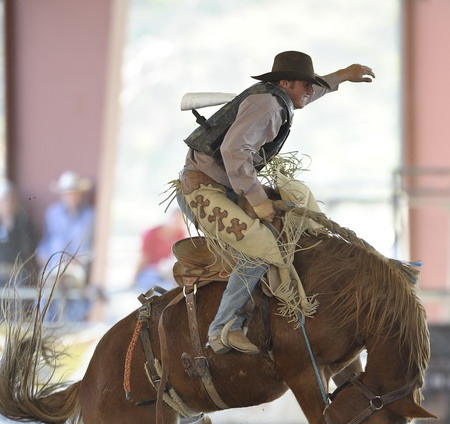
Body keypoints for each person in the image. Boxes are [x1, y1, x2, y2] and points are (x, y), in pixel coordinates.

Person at [177, 51, 375, 354]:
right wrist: (258, 200)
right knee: (261, 249)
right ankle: (222, 329)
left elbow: (308, 94)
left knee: (295, 217)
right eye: (305, 84)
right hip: (204, 190)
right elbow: (234, 152)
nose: (310, 90)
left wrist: (341, 76)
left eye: (312, 85)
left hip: (228, 185)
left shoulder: (277, 98)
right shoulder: (268, 106)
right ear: (286, 83)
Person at [36, 171, 95, 321]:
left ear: (80, 194)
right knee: (47, 286)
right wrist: (42, 256)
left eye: (74, 192)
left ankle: (72, 325)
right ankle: (46, 323)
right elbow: (47, 239)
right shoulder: (53, 213)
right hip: (54, 264)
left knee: (73, 289)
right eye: (67, 193)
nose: (71, 196)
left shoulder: (90, 216)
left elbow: (92, 245)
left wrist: (80, 259)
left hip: (77, 266)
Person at [134, 209, 187, 291]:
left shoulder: (180, 234)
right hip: (149, 271)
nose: (179, 223)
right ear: (170, 217)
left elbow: (180, 258)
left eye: (182, 220)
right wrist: (134, 278)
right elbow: (143, 258)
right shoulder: (151, 233)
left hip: (167, 272)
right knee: (159, 289)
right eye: (177, 219)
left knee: (173, 288)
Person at [0, 179, 37, 287]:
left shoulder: (23, 222)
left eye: (12, 199)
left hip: (17, 271)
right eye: (5, 200)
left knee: (21, 282)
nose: (9, 203)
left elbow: (29, 248)